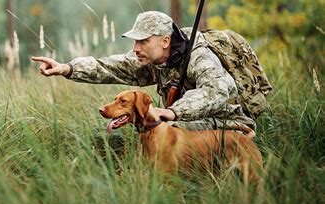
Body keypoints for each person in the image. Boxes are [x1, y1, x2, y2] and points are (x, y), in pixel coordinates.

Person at [31, 11, 256, 131]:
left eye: (143, 41)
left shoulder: (199, 56)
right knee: (152, 128)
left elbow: (217, 91)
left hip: (229, 122)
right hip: (188, 123)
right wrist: (67, 68)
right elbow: (109, 67)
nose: (135, 49)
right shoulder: (151, 59)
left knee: (167, 128)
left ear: (166, 41)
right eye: (135, 41)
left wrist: (173, 112)